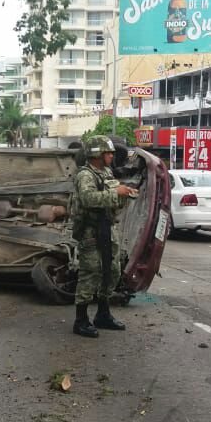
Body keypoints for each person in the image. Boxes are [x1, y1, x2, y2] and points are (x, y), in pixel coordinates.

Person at [71, 135, 136, 338]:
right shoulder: (85, 175)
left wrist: (124, 194)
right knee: (90, 274)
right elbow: (88, 198)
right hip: (91, 231)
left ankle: (103, 313)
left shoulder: (106, 171)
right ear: (96, 154)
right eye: (108, 152)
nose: (111, 155)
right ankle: (81, 320)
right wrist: (117, 193)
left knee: (112, 271)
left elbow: (112, 194)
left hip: (108, 229)